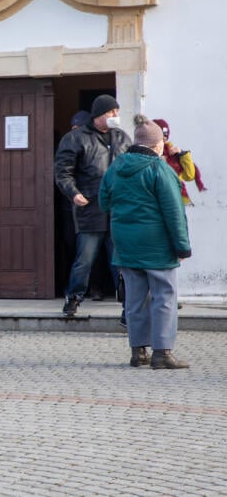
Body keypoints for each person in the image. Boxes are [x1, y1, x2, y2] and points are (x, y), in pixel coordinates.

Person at [100, 115, 192, 369]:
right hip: (157, 246)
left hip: (125, 243)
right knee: (164, 295)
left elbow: (103, 202)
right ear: (157, 145)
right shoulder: (160, 169)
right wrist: (182, 245)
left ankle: (138, 351)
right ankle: (162, 352)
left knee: (135, 298)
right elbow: (174, 212)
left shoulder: (116, 167)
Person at [55, 94, 132, 317]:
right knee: (85, 259)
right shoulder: (76, 138)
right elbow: (63, 172)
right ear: (99, 115)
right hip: (90, 207)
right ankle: (74, 298)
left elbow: (131, 167)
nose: (116, 116)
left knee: (119, 261)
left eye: (117, 112)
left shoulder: (122, 138)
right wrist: (74, 194)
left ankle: (129, 306)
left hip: (117, 209)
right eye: (111, 112)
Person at [154, 119, 207, 205]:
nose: (164, 138)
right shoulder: (147, 155)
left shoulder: (172, 154)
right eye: (160, 134)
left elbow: (189, 175)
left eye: (165, 135)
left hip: (179, 202)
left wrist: (183, 155)